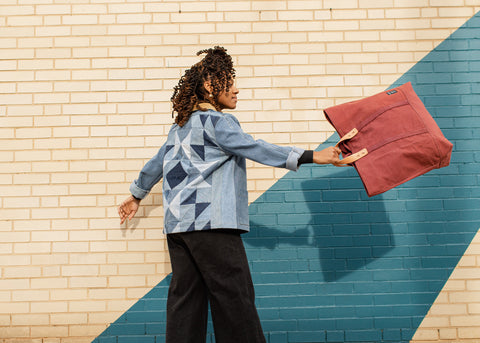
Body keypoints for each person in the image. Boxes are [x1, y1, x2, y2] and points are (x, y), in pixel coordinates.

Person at [118, 46, 342, 343]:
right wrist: (314, 156)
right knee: (235, 301)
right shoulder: (219, 123)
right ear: (211, 86)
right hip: (211, 224)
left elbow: (155, 164)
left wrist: (136, 195)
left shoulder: (180, 127)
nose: (237, 89)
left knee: (186, 304)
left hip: (179, 227)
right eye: (229, 81)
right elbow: (257, 148)